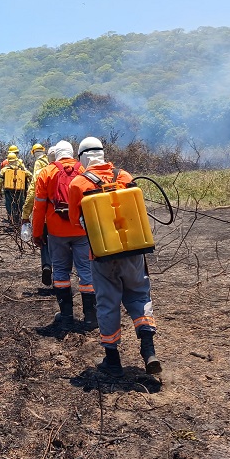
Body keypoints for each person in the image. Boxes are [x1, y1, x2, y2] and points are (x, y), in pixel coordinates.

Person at [67, 137, 162, 376]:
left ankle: (112, 360)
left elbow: (73, 221)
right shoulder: (125, 176)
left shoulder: (78, 184)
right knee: (139, 296)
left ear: (83, 158)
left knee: (108, 304)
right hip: (133, 252)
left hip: (101, 256)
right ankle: (149, 351)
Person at [31, 140, 96, 329]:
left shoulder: (47, 172)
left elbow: (39, 206)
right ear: (72, 153)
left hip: (56, 232)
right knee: (86, 271)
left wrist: (37, 233)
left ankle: (66, 317)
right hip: (82, 230)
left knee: (60, 272)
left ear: (56, 154)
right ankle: (90, 317)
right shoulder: (84, 170)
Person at [22, 143, 53, 286]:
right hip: (64, 214)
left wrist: (25, 214)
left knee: (45, 241)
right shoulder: (57, 164)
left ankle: (47, 265)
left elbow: (33, 189)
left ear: (33, 153)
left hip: (46, 214)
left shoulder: (39, 166)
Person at [0, 152, 31, 227]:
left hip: (8, 191)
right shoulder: (22, 170)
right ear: (16, 160)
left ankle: (11, 223)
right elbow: (30, 175)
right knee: (20, 206)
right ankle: (20, 222)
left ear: (8, 161)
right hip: (20, 191)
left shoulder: (4, 170)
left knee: (10, 206)